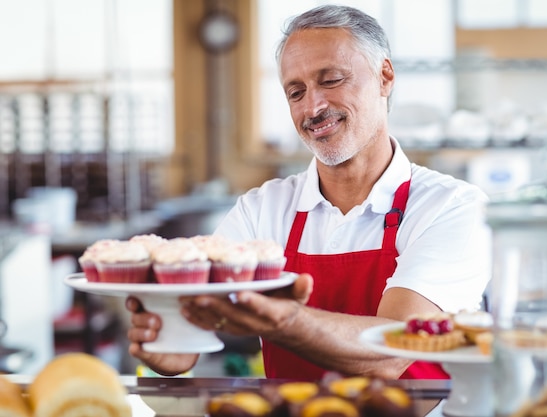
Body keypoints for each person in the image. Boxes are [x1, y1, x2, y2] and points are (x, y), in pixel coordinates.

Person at [126, 4, 491, 380]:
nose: (312, 107)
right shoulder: (261, 210)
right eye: (295, 92)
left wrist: (286, 320)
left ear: (385, 76)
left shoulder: (452, 206)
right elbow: (186, 334)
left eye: (331, 80)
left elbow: (396, 348)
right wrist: (167, 344)